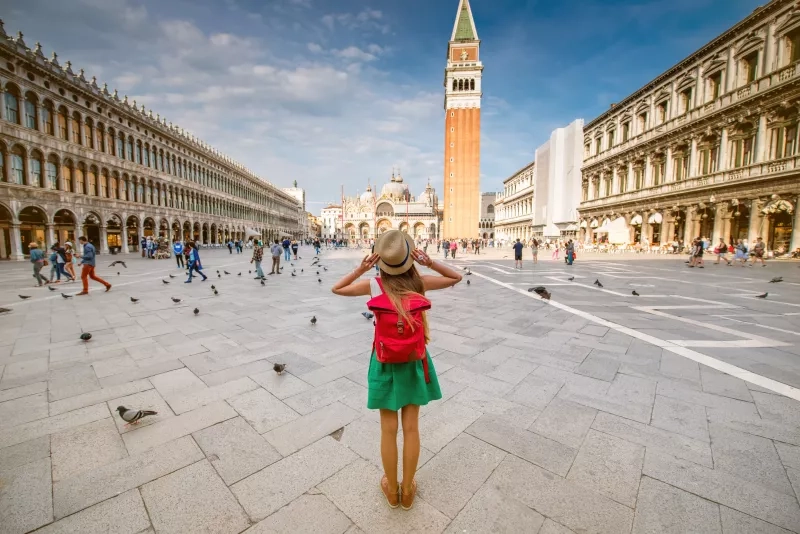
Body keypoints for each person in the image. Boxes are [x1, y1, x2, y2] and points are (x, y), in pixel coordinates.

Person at [331, 230, 461, 510]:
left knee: (388, 430)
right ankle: (408, 491)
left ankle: (392, 490)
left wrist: (361, 269)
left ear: (382, 261)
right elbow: (456, 277)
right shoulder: (419, 283)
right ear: (408, 257)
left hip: (383, 361)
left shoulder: (374, 286)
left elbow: (337, 289)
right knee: (411, 428)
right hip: (415, 361)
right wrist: (430, 263)